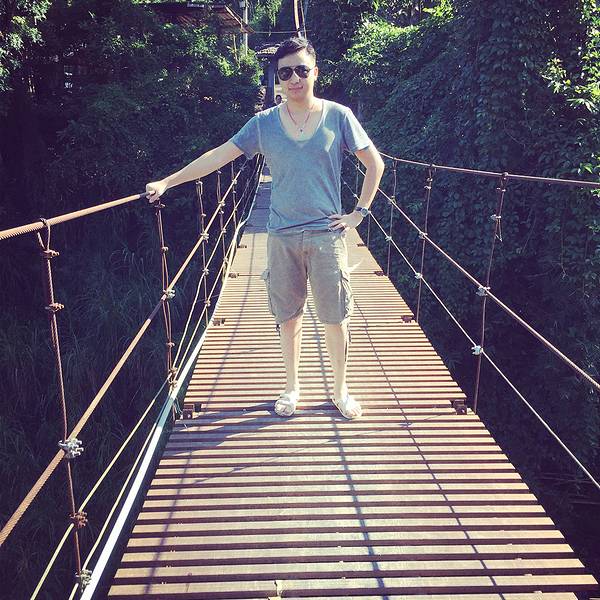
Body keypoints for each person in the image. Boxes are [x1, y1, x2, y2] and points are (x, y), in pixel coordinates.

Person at [146, 37, 385, 419]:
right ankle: (292, 388)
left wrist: (359, 212)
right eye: (285, 72)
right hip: (281, 236)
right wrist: (168, 182)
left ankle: (340, 391)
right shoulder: (264, 124)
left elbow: (375, 163)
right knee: (288, 317)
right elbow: (218, 156)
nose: (294, 79)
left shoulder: (339, 116)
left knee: (336, 317)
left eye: (301, 70)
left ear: (315, 73)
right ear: (277, 78)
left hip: (327, 236)